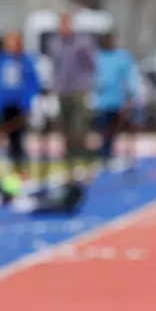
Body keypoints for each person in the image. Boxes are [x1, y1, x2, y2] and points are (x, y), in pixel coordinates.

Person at [47, 10, 96, 182]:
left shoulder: (82, 43)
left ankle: (86, 165)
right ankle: (70, 168)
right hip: (62, 91)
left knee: (79, 130)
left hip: (78, 91)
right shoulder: (55, 44)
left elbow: (91, 65)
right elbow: (55, 67)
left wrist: (86, 84)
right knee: (65, 132)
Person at [0, 30, 41, 179]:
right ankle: (9, 169)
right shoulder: (1, 60)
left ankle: (22, 170)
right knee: (6, 140)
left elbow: (32, 84)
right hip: (5, 106)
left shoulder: (26, 61)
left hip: (20, 106)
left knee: (19, 140)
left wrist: (27, 104)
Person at [91, 30, 140, 167]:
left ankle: (119, 154)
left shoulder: (122, 57)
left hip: (118, 101)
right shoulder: (96, 57)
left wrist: (131, 97)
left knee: (117, 129)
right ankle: (104, 153)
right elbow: (91, 77)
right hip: (101, 102)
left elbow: (130, 78)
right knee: (103, 130)